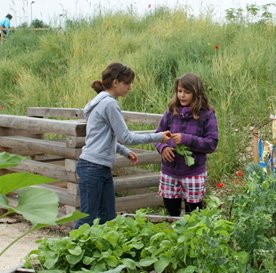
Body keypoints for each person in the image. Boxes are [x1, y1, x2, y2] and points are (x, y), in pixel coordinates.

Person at [74, 62, 171, 229]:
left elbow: (102, 137)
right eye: (127, 83)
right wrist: (159, 136)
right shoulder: (109, 104)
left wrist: (125, 152)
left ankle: (99, 253)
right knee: (87, 219)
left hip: (98, 166)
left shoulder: (98, 102)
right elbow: (126, 136)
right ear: (115, 82)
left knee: (108, 218)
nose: (130, 87)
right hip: (93, 167)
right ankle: (66, 253)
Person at [155, 73, 218, 216]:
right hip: (169, 172)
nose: (182, 95)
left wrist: (186, 139)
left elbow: (212, 143)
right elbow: (158, 136)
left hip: (193, 173)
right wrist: (163, 148)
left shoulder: (206, 115)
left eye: (187, 92)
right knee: (171, 214)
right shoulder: (171, 111)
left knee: (194, 215)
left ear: (197, 93)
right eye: (179, 91)